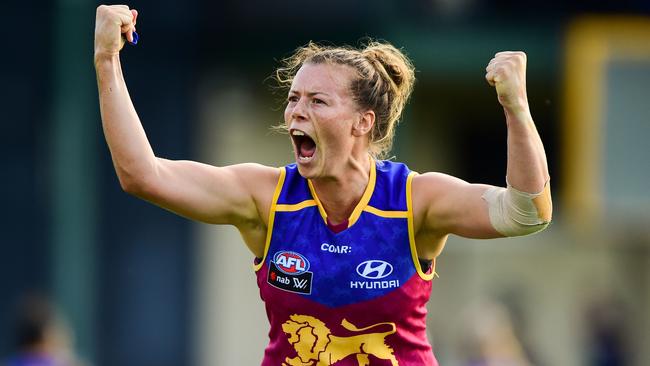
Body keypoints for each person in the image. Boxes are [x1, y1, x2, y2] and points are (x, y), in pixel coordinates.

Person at [94, 5, 552, 365]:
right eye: (293, 99)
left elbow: (527, 212)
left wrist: (515, 107)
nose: (296, 111)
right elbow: (142, 175)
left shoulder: (415, 201)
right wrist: (107, 59)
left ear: (362, 122)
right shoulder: (266, 198)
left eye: (317, 100)